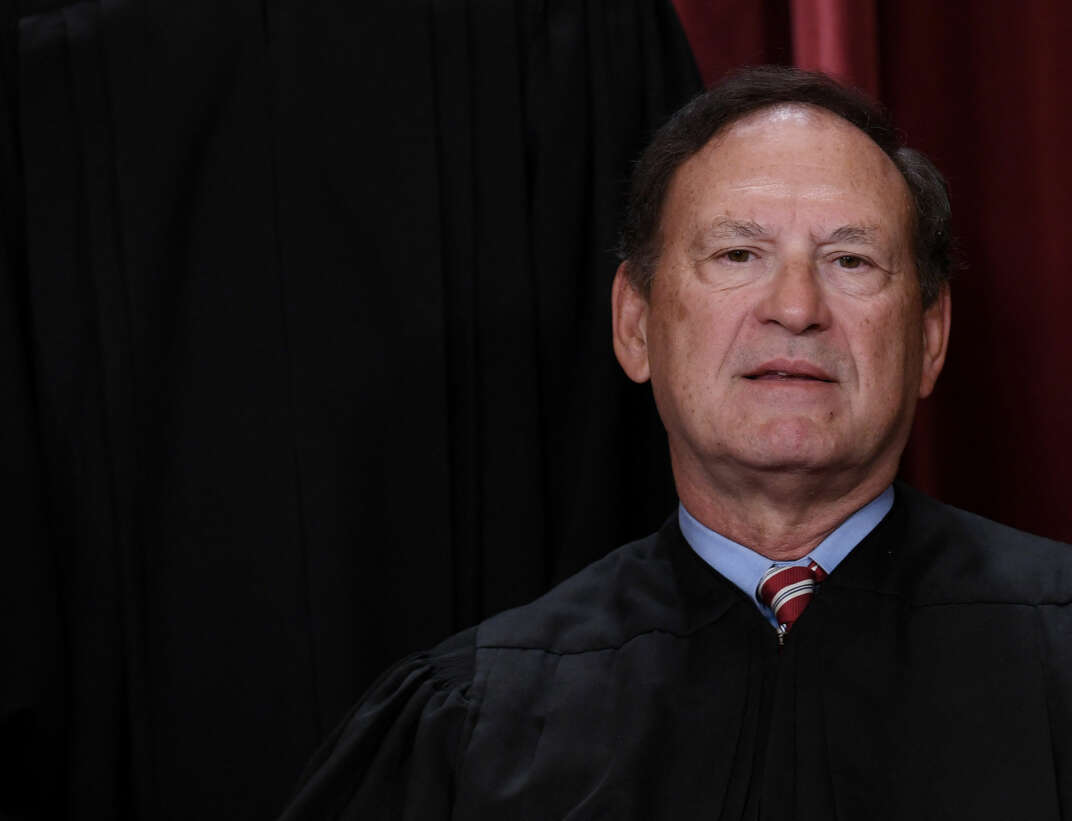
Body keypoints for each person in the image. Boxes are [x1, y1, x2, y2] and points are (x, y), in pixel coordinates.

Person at [278, 66, 1072, 820]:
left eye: (851, 259)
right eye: (738, 254)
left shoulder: (1058, 655)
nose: (796, 307)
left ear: (929, 338)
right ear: (635, 324)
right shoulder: (477, 720)